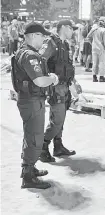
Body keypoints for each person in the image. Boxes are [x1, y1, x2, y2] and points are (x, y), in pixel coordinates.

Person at [11, 22, 59, 189]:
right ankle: (28, 177)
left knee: (30, 135)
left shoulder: (25, 53)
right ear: (32, 36)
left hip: (30, 100)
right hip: (31, 101)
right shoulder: (30, 55)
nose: (44, 39)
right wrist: (53, 79)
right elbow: (39, 81)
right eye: (41, 35)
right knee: (35, 137)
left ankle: (29, 168)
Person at [39, 19, 77, 163]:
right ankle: (43, 147)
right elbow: (40, 60)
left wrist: (73, 82)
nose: (72, 32)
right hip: (56, 87)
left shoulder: (64, 44)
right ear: (64, 28)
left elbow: (67, 66)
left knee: (60, 119)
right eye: (71, 29)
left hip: (65, 86)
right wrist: (48, 80)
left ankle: (58, 146)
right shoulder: (51, 43)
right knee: (57, 120)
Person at [87, 17, 105, 82]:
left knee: (94, 62)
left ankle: (94, 77)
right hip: (101, 48)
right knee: (102, 62)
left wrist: (92, 43)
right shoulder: (104, 30)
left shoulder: (94, 29)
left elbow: (88, 37)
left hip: (94, 47)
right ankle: (101, 77)